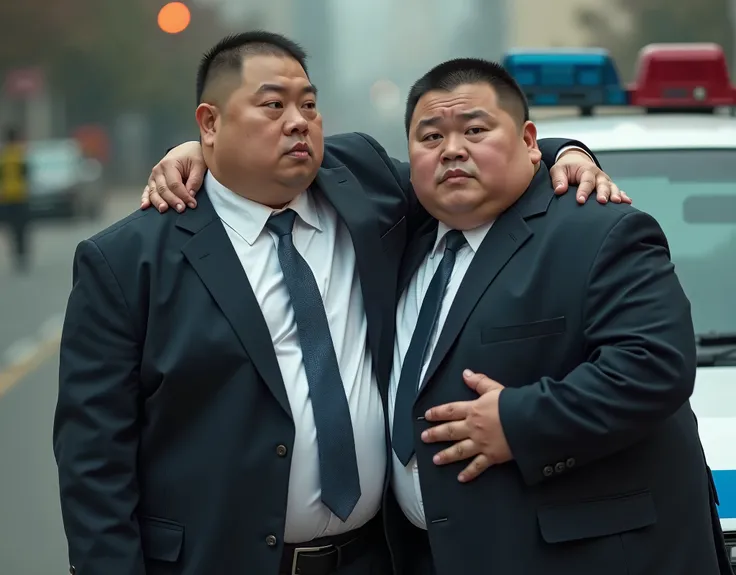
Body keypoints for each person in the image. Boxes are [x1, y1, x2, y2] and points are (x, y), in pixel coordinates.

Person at [54, 31, 623, 575]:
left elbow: (466, 163)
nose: (298, 122)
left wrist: (563, 151)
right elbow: (94, 462)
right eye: (272, 106)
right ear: (209, 123)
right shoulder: (127, 262)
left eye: (309, 104)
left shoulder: (364, 184)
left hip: (373, 559)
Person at [382, 57, 731, 575]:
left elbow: (654, 364)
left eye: (476, 130)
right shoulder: (399, 239)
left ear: (528, 141)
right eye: (430, 137)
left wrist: (518, 423)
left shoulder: (600, 230)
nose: (452, 149)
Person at [0, 126, 31, 272]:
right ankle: (22, 254)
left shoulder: (3, 155)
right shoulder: (20, 154)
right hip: (20, 196)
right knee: (22, 229)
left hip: (6, 197)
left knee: (11, 228)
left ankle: (15, 253)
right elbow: (27, 173)